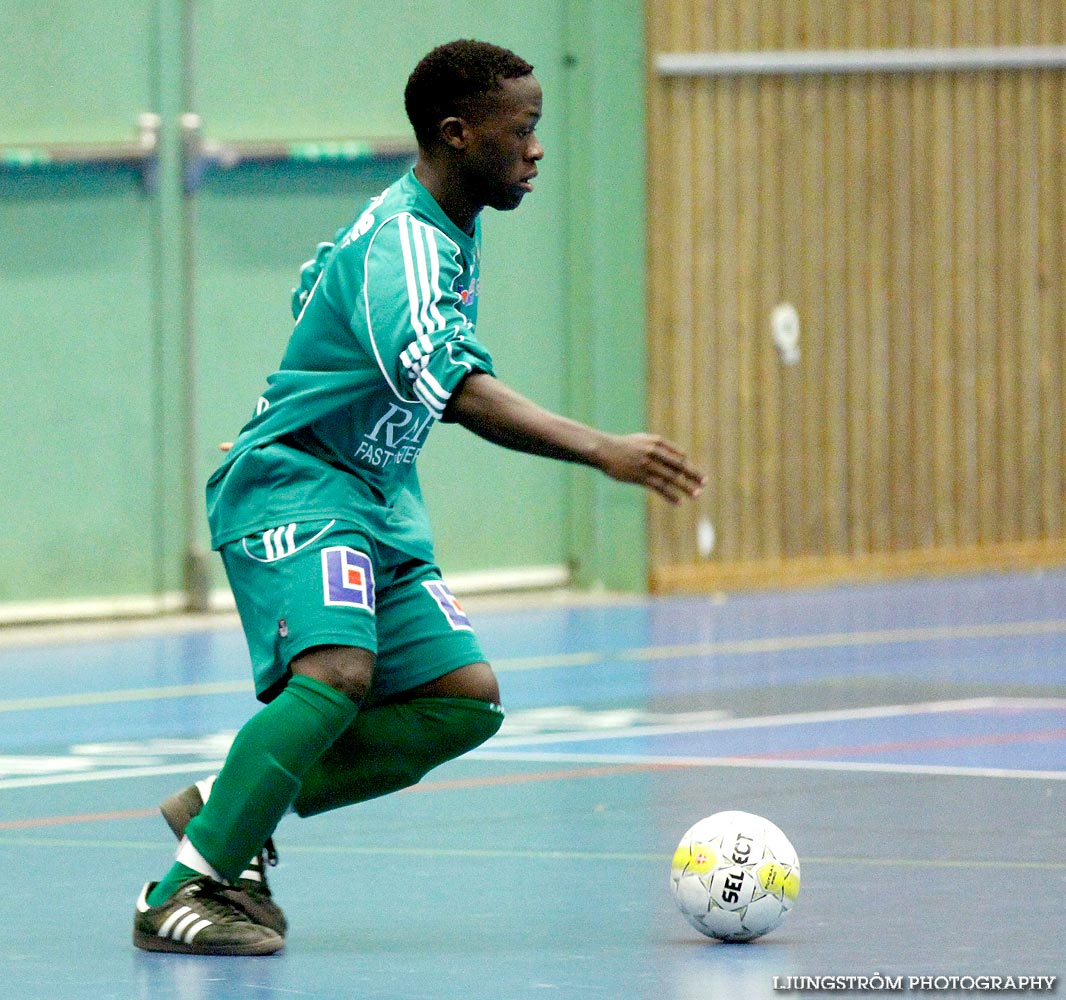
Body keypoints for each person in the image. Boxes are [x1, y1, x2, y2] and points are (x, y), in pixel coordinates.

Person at [133, 38, 706, 956]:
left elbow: (316, 288)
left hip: (377, 498)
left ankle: (225, 805)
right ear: (456, 132)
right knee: (336, 673)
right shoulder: (403, 243)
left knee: (463, 698)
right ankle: (181, 891)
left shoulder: (449, 225)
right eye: (522, 130)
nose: (536, 149)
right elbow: (459, 393)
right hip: (296, 483)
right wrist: (602, 450)